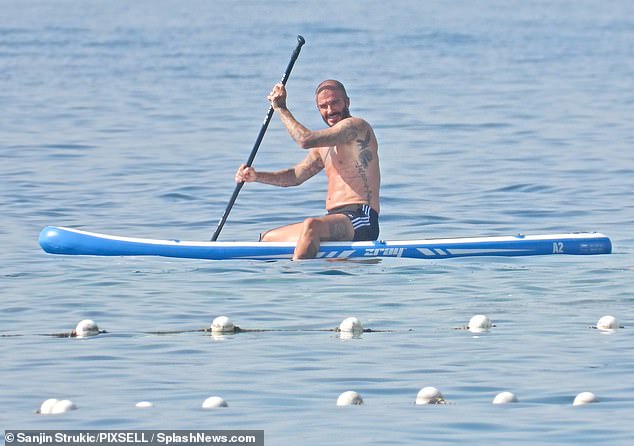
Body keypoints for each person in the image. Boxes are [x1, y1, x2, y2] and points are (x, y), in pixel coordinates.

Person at [235, 79, 380, 260]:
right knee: (268, 238)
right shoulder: (324, 146)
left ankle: (297, 283)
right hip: (334, 218)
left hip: (361, 217)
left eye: (335, 102)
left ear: (347, 102)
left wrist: (280, 108)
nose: (330, 110)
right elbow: (296, 176)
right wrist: (256, 176)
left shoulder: (357, 127)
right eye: (323, 106)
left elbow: (304, 139)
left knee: (311, 226)